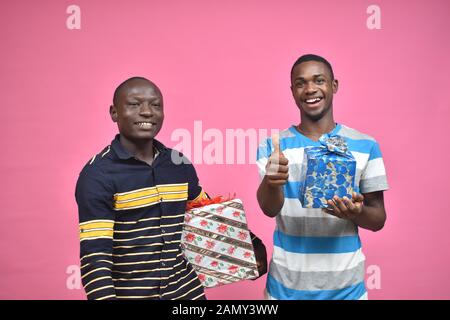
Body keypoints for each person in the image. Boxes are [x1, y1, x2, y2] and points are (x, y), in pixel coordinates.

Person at [256, 54, 389, 300]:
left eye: (319, 80)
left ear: (333, 85)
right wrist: (271, 181)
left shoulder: (365, 145)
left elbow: (378, 218)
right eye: (300, 83)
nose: (310, 89)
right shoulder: (274, 147)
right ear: (292, 91)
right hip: (285, 289)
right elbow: (268, 208)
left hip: (346, 290)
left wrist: (355, 213)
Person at [75, 77, 208, 300]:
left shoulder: (179, 163)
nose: (147, 112)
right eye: (134, 104)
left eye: (155, 105)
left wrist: (251, 250)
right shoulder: (97, 175)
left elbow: (207, 216)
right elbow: (95, 256)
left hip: (189, 295)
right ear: (114, 113)